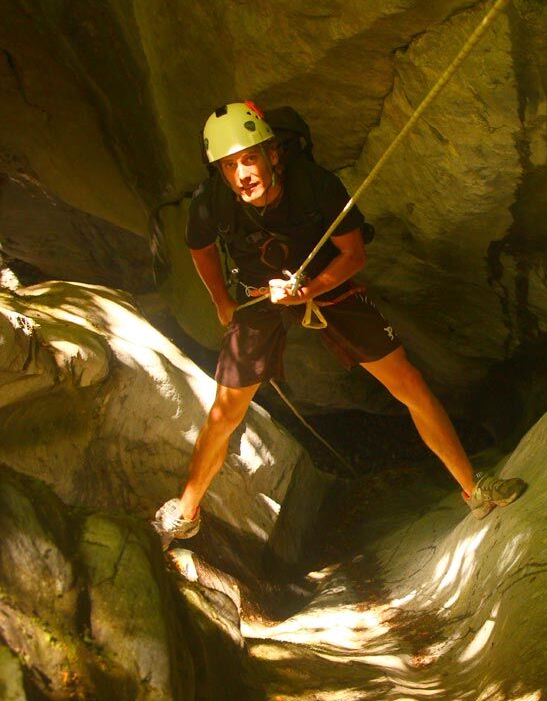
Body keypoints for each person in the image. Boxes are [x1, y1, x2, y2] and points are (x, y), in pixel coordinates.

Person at [152, 101, 526, 548]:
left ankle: (473, 489)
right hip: (258, 295)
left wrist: (308, 290)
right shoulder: (212, 199)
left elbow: (353, 255)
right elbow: (200, 247)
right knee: (224, 412)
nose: (241, 175)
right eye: (229, 166)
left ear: (273, 154)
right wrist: (220, 300)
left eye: (249, 159)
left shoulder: (316, 185)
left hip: (325, 283)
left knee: (407, 381)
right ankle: (185, 514)